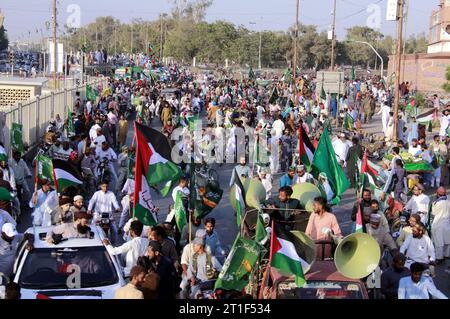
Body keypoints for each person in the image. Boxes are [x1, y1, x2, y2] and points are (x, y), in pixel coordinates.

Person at [430, 187, 450, 264]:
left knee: (439, 242)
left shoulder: (436, 203)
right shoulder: (448, 202)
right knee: (447, 241)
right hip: (447, 224)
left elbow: (433, 213)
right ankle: (446, 255)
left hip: (438, 224)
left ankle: (439, 258)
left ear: (437, 194)